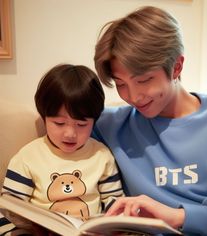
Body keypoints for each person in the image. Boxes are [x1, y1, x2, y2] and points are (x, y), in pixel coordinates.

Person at [92, 6, 207, 236]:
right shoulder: (110, 126)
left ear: (177, 66)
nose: (133, 96)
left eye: (144, 80)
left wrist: (179, 216)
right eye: (121, 84)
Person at [1, 64, 123, 224]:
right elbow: (9, 209)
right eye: (59, 123)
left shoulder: (101, 155)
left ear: (95, 120)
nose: (70, 134)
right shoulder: (27, 157)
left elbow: (114, 202)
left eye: (81, 125)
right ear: (44, 117)